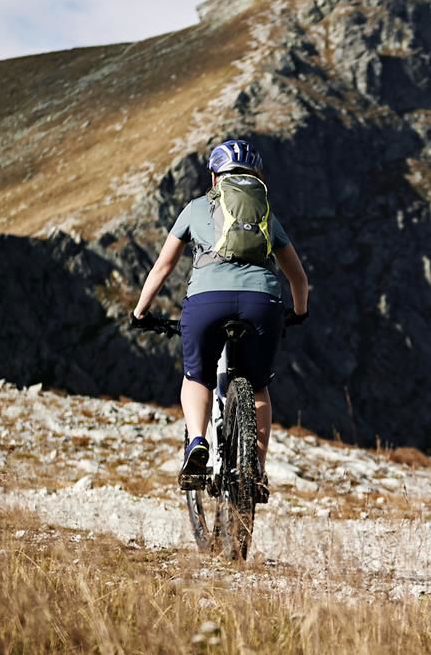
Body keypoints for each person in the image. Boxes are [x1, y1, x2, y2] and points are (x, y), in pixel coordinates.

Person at [132, 138, 310, 498]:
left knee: (197, 376)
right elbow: (299, 278)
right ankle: (255, 470)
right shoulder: (265, 215)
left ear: (215, 178)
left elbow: (163, 267)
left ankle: (198, 442)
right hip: (263, 302)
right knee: (257, 385)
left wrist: (140, 312)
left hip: (206, 301)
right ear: (254, 179)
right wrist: (299, 312)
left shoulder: (196, 208)